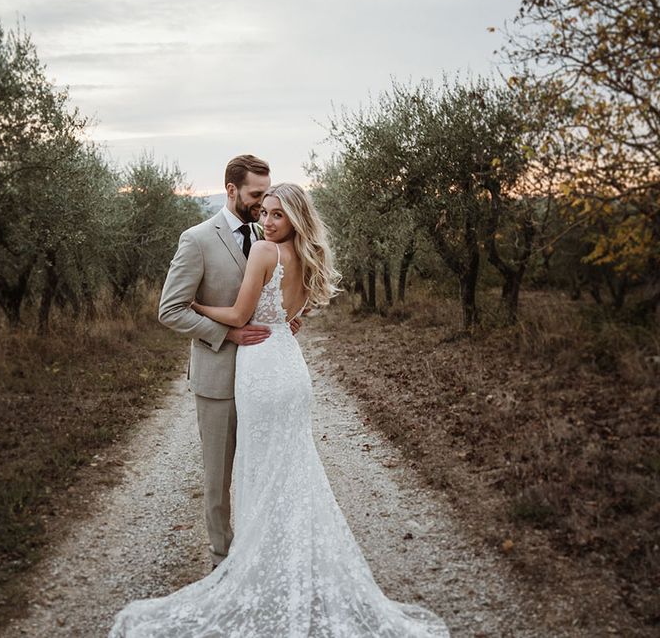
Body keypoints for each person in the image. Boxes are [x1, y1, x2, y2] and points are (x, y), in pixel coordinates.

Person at [110, 183, 450, 637]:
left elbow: (237, 315)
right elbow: (293, 315)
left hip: (261, 369)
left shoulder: (264, 253)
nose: (266, 223)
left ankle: (262, 567)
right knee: (290, 467)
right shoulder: (309, 257)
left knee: (263, 467)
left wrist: (194, 303)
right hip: (289, 363)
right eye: (264, 213)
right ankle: (289, 564)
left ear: (293, 218)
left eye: (276, 215)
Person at [157, 154, 301, 569]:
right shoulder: (197, 239)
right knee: (219, 477)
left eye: (267, 196)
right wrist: (227, 332)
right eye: (256, 195)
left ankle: (264, 550)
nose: (262, 205)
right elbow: (170, 310)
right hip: (218, 377)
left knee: (265, 468)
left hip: (267, 378)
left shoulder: (272, 236)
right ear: (231, 189)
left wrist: (287, 324)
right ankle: (222, 558)